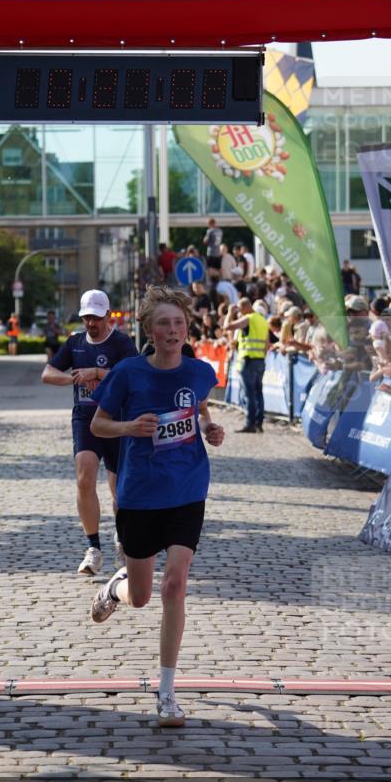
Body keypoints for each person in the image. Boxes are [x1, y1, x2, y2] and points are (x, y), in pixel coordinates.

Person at [88, 285, 224, 727]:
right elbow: (99, 425)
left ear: (187, 329)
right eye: (163, 323)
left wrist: (210, 426)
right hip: (139, 495)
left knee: (175, 587)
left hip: (187, 490)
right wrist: (130, 426)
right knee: (143, 597)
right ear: (148, 329)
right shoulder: (128, 372)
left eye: (179, 323)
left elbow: (200, 406)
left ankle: (167, 694)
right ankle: (115, 587)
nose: (172, 330)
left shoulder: (200, 371)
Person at [41, 289, 137, 575]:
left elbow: (132, 377)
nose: (91, 323)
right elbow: (47, 374)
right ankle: (93, 547)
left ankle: (122, 539)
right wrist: (76, 376)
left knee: (119, 489)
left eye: (96, 317)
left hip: (117, 420)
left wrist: (97, 373)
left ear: (108, 316)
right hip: (85, 418)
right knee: (84, 477)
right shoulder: (75, 343)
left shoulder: (121, 342)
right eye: (86, 318)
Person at [223, 297, 269, 433]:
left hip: (248, 360)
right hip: (260, 360)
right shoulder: (262, 320)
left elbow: (227, 327)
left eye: (239, 309)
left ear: (244, 307)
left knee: (249, 394)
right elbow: (267, 344)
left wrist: (229, 313)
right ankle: (259, 423)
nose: (239, 312)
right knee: (259, 393)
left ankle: (250, 424)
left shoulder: (249, 318)